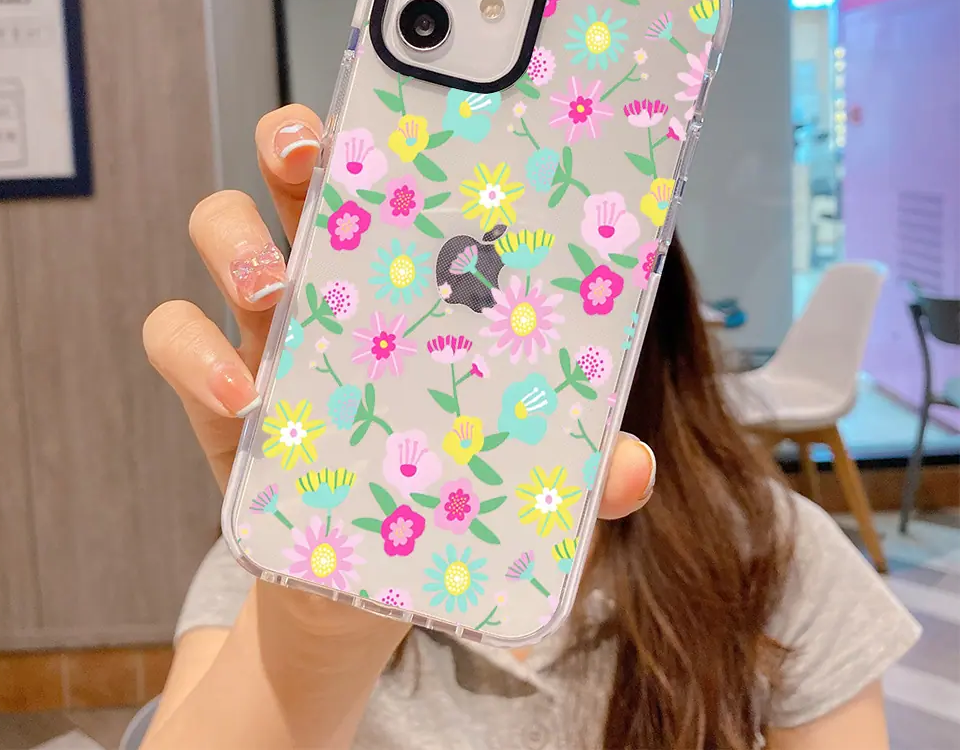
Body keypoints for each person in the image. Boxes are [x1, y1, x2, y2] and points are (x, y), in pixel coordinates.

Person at [140, 104, 918, 750]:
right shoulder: (282, 557)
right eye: (451, 292)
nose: (490, 340)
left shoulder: (773, 556)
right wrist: (314, 637)